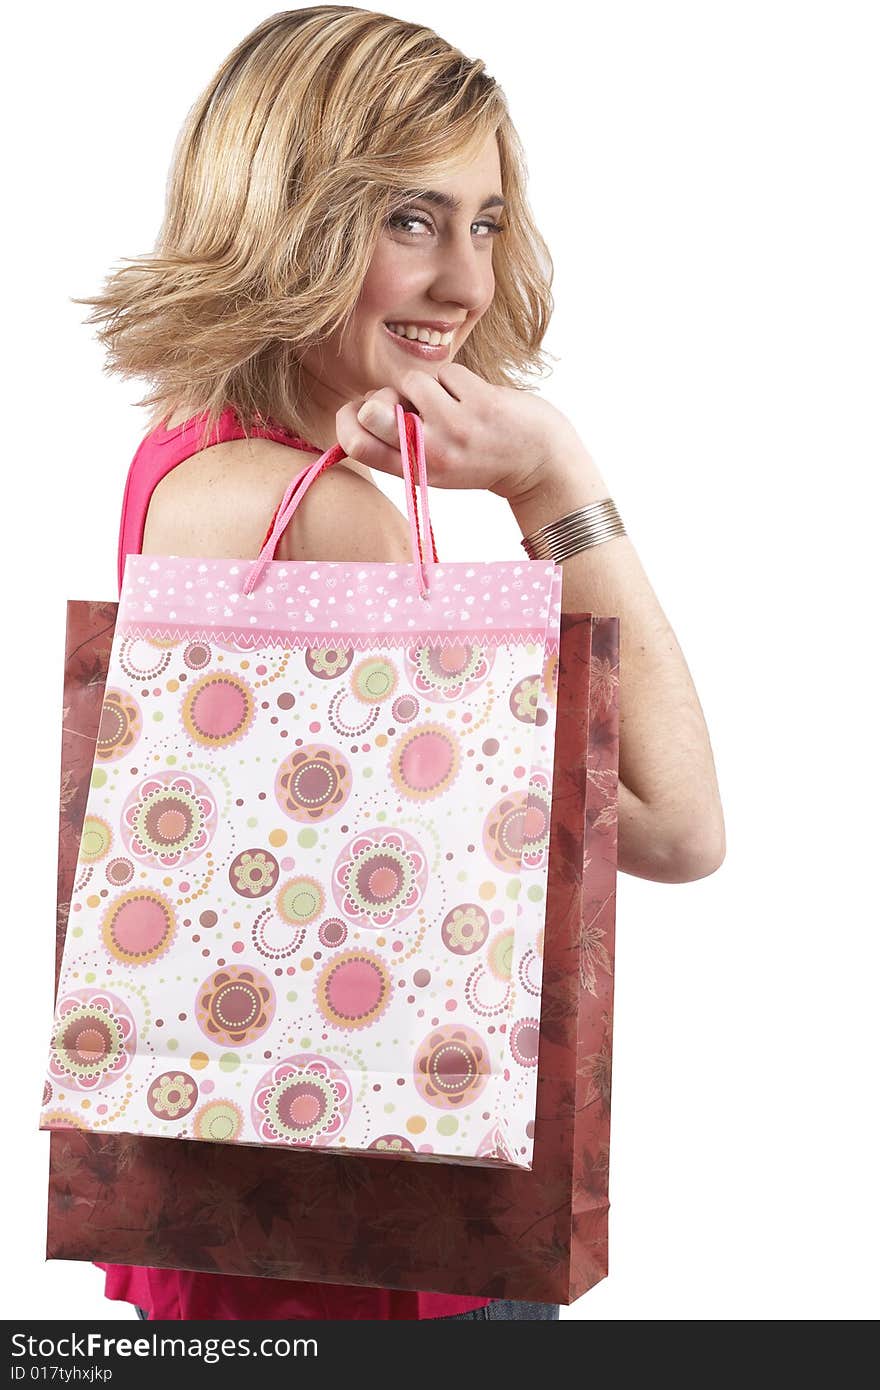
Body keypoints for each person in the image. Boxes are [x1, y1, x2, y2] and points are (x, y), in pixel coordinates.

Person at [74, 5, 725, 1322]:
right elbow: (674, 826)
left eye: (485, 222)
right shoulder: (334, 516)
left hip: (235, 1215)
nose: (468, 285)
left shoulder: (184, 460)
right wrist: (556, 478)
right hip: (392, 1249)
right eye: (411, 220)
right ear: (287, 219)